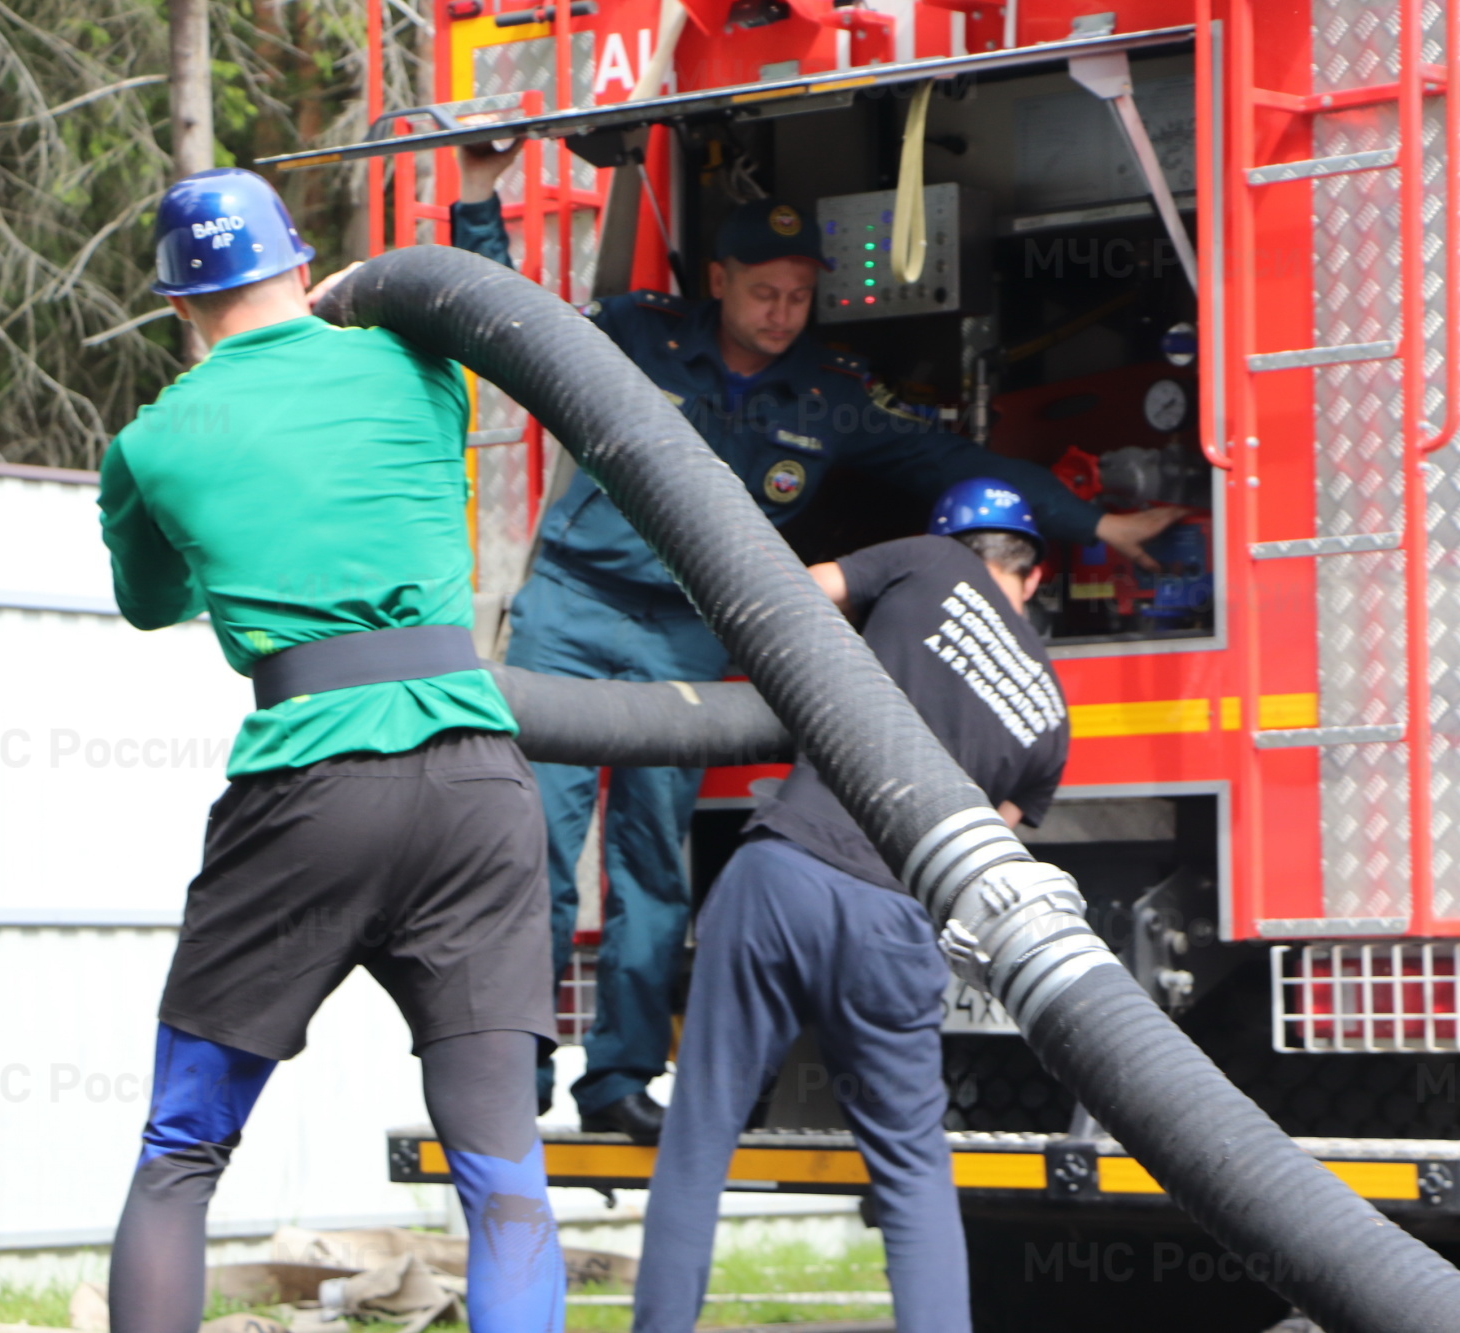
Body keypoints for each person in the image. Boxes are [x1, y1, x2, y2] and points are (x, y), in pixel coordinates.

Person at [443, 141, 1178, 1141]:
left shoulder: (829, 396)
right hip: (572, 608)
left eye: (797, 294)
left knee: (652, 863)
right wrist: (480, 194)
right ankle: (511, 1072)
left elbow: (955, 458)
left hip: (685, 634)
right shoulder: (639, 336)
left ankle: (616, 1081)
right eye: (762, 291)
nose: (781, 312)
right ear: (718, 282)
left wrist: (1096, 527)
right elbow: (499, 315)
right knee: (533, 843)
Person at [98, 168, 564, 1333]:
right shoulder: (414, 366)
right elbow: (490, 314)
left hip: (306, 793)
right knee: (503, 1174)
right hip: (472, 782)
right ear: (300, 265)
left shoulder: (151, 445)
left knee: (180, 1149)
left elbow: (151, 603)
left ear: (176, 306)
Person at [629, 478, 1072, 1333]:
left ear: (958, 540)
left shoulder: (930, 561)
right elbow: (986, 851)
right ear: (1035, 575)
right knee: (910, 1171)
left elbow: (794, 593)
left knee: (699, 1138)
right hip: (893, 919)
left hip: (783, 871)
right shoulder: (1051, 719)